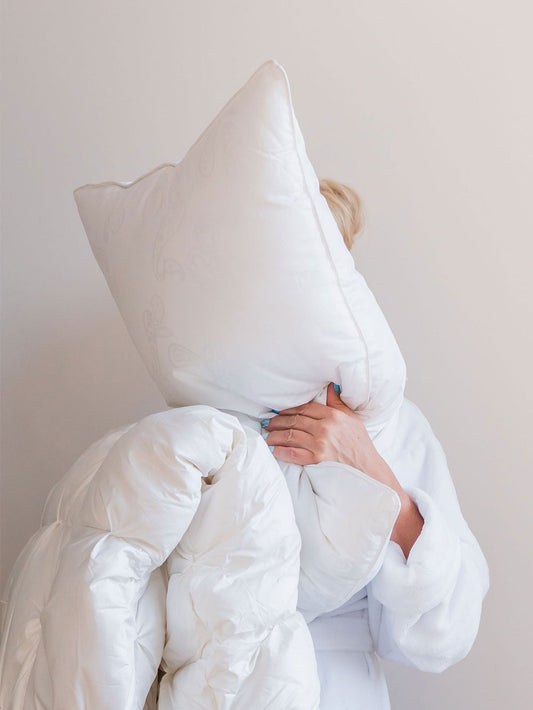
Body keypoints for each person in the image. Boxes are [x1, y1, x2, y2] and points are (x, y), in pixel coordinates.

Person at [261, 178, 490, 709]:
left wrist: (367, 465)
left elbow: (446, 631)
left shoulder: (395, 425)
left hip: (338, 689)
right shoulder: (209, 410)